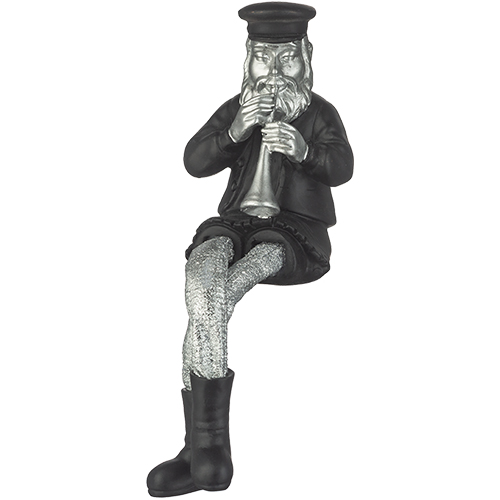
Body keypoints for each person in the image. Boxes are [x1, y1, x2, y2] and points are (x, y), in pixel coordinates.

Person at [147, 2, 353, 496]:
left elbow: (343, 167)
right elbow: (194, 161)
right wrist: (235, 130)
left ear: (305, 57)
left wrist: (304, 151)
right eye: (263, 58)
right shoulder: (237, 108)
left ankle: (202, 450)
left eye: (286, 59)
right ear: (248, 59)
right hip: (234, 223)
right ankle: (204, 452)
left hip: (292, 232)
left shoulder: (319, 113)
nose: (274, 72)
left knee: (215, 300)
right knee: (201, 284)